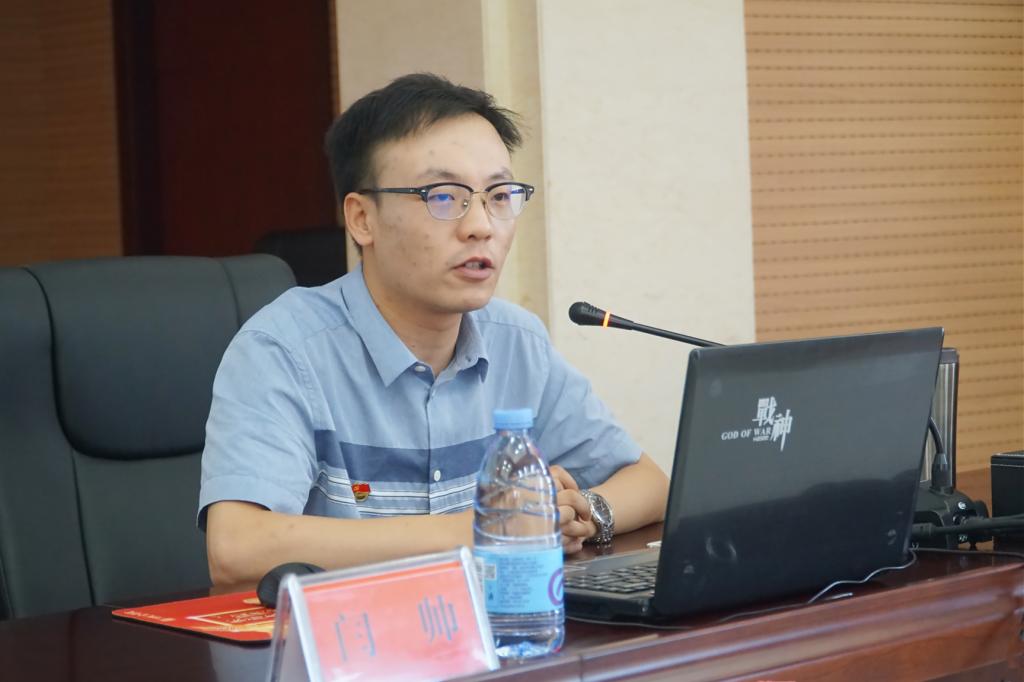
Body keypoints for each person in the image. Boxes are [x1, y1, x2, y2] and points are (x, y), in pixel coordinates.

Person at [199, 73, 669, 588]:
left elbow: (650, 484)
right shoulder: (283, 349)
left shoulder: (516, 340)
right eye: (443, 197)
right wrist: (478, 529)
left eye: (499, 195)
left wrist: (588, 512)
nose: (481, 226)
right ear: (362, 219)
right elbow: (237, 548)